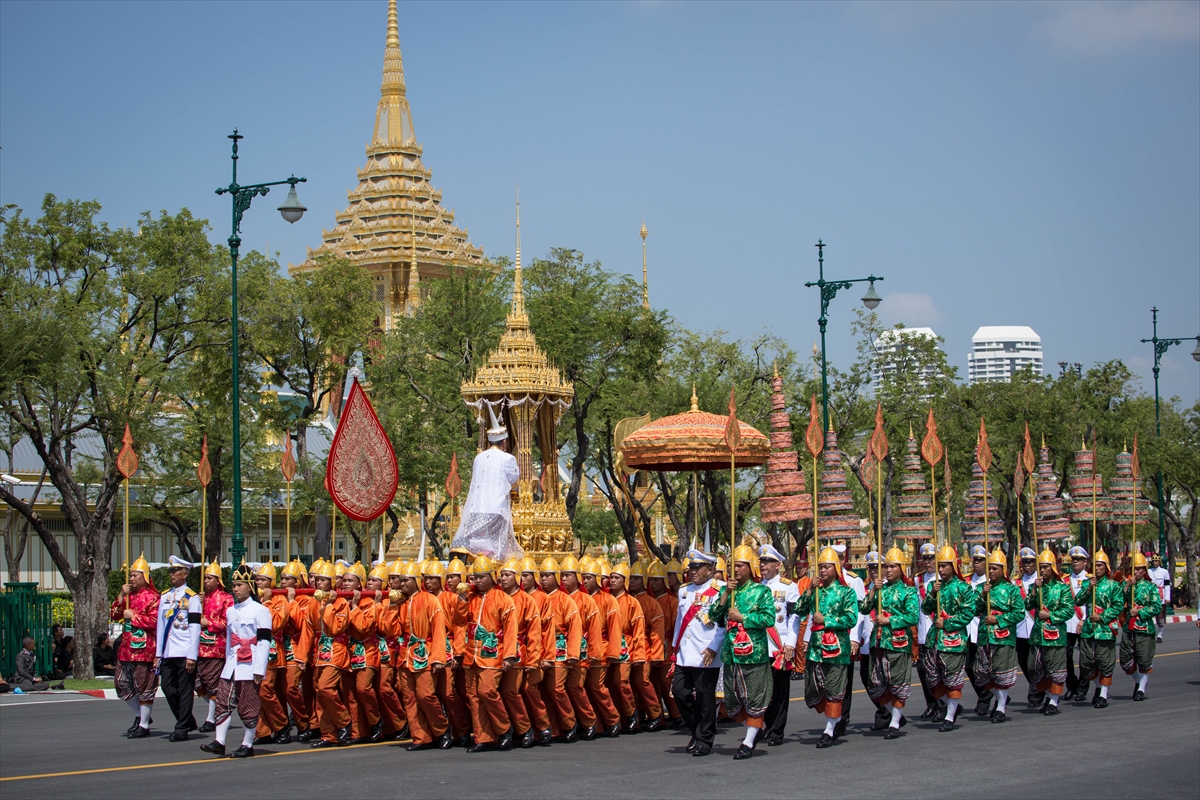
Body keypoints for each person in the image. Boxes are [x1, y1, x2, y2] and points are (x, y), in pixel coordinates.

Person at [707, 545, 775, 759]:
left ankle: (748, 740)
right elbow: (713, 614)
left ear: (749, 567)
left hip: (753, 652)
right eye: (732, 566)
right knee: (732, 700)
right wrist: (726, 593)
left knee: (754, 697)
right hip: (731, 653)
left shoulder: (761, 591)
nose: (735, 569)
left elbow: (768, 619)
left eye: (739, 565)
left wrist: (743, 618)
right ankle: (755, 728)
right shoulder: (726, 590)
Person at [199, 564, 273, 758]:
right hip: (232, 663)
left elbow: (265, 641)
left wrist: (259, 668)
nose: (236, 588)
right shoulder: (231, 611)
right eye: (233, 585)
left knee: (248, 703)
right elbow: (230, 641)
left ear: (249, 586)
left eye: (239, 584)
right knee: (223, 699)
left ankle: (247, 744)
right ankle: (219, 741)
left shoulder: (260, 610)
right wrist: (226, 662)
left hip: (251, 663)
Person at [795, 546, 859, 748]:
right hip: (815, 648)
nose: (822, 571)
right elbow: (798, 610)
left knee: (834, 690)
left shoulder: (846, 591)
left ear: (836, 568)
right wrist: (808, 591)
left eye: (827, 567)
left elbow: (851, 619)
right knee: (813, 690)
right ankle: (834, 716)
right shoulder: (816, 591)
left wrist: (827, 620)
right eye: (820, 567)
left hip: (837, 649)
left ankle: (829, 730)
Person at [671, 549, 725, 757]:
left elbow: (722, 624)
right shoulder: (684, 591)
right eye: (691, 567)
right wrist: (675, 649)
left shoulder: (720, 590)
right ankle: (696, 730)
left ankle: (705, 739)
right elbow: (679, 623)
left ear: (710, 569)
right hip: (685, 652)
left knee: (705, 698)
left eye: (698, 567)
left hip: (706, 651)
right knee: (680, 692)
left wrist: (714, 647)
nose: (693, 571)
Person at [863, 547, 920, 739]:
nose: (888, 570)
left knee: (897, 683)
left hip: (898, 642)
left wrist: (891, 620)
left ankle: (895, 722)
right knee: (876, 683)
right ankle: (894, 713)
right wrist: (872, 591)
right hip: (878, 642)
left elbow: (913, 616)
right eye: (886, 566)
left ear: (901, 568)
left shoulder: (908, 591)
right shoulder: (879, 588)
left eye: (893, 566)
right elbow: (863, 609)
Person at [463, 556, 519, 752]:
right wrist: (462, 599)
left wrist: (509, 655)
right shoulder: (470, 598)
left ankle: (504, 729)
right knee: (473, 696)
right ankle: (483, 737)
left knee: (488, 691)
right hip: (471, 654)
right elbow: (458, 620)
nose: (477, 581)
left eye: (481, 577)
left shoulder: (502, 598)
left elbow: (511, 628)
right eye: (474, 578)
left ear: (491, 577)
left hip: (493, 652)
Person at [451, 409, 522, 560]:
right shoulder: (508, 458)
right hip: (496, 509)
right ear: (504, 442)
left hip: (475, 509)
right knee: (495, 548)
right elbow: (514, 479)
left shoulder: (479, 458)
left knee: (477, 544)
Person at [920, 545, 977, 732]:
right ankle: (951, 705)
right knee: (932, 678)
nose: (941, 569)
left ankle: (950, 716)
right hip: (934, 639)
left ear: (953, 566)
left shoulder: (964, 588)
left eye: (945, 565)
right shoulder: (933, 585)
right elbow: (926, 609)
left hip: (953, 640)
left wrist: (948, 624)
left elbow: (969, 612)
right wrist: (933, 594)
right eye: (939, 566)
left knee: (952, 678)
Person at [396, 560, 452, 750]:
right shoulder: (402, 603)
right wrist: (389, 607)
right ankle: (421, 737)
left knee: (425, 695)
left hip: (426, 653)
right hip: (406, 656)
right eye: (401, 581)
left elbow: (438, 631)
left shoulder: (430, 600)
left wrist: (438, 658)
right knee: (409, 698)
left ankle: (442, 729)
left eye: (406, 581)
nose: (402, 585)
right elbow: (390, 629)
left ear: (416, 581)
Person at [110, 554, 160, 738]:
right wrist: (122, 595)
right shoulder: (129, 596)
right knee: (121, 683)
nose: (131, 578)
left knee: (144, 686)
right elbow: (114, 614)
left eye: (135, 575)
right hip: (126, 648)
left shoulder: (154, 598)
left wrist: (135, 618)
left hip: (145, 649)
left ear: (145, 577)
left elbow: (155, 622)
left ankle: (144, 725)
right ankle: (141, 716)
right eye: (130, 575)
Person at [424, 558, 472, 746]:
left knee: (449, 692)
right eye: (426, 578)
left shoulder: (452, 598)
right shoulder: (425, 598)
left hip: (449, 648)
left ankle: (462, 730)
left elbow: (460, 627)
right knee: (431, 692)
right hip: (428, 648)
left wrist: (458, 653)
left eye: (432, 578)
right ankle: (441, 729)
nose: (428, 582)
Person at [974, 548, 1024, 723]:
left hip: (1003, 637)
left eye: (995, 568)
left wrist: (999, 620)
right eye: (990, 568)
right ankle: (1001, 697)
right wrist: (982, 595)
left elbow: (1019, 613)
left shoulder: (1011, 589)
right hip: (984, 636)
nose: (992, 572)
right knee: (981, 674)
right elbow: (973, 610)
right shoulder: (982, 588)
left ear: (1003, 569)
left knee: (1001, 674)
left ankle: (1001, 707)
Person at [757, 544, 799, 747]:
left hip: (778, 645)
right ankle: (765, 724)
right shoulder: (756, 587)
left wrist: (791, 643)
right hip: (758, 646)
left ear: (777, 565)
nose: (763, 565)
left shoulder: (788, 587)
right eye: (761, 561)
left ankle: (776, 730)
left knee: (779, 691)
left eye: (767, 562)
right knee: (762, 689)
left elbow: (794, 618)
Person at [155, 555, 202, 741]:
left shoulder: (192, 598)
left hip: (184, 650)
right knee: (167, 687)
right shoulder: (165, 596)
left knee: (185, 689)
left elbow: (195, 628)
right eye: (171, 571)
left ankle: (182, 727)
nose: (172, 574)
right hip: (168, 650)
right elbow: (160, 626)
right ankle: (187, 720)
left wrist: (192, 656)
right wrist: (158, 653)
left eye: (175, 571)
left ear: (185, 573)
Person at [499, 557, 543, 747]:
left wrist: (534, 659)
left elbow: (534, 633)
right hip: (493, 651)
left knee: (511, 691)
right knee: (491, 692)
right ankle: (504, 730)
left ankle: (526, 728)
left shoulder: (527, 600)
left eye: (508, 575)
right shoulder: (495, 597)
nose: (503, 578)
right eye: (501, 575)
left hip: (516, 653)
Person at [309, 559, 352, 748]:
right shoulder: (314, 601)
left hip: (336, 650)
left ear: (333, 582)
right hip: (320, 652)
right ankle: (328, 735)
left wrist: (328, 606)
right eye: (317, 579)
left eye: (324, 580)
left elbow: (336, 627)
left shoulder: (341, 602)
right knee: (320, 693)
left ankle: (344, 721)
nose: (319, 583)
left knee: (326, 687)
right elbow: (308, 629)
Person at [539, 557, 582, 742]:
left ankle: (570, 723)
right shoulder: (538, 599)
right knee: (543, 691)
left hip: (559, 649)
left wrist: (573, 653)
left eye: (548, 575)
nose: (544, 579)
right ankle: (552, 728)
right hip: (540, 651)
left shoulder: (565, 600)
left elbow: (574, 628)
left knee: (556, 688)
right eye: (541, 576)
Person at [609, 561, 656, 734]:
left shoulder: (631, 602)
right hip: (607, 646)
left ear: (624, 581)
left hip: (625, 646)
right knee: (610, 684)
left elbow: (638, 631)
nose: (613, 581)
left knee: (622, 681)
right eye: (611, 577)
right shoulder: (607, 599)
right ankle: (618, 717)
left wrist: (639, 654)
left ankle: (633, 714)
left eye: (617, 578)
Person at [1026, 548, 1073, 715]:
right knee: (1034, 667)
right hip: (1038, 634)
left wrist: (1051, 615)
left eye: (1046, 567)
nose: (1043, 570)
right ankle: (1047, 695)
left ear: (1052, 568)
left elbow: (1069, 611)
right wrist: (1033, 591)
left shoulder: (1062, 588)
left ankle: (1054, 701)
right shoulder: (1036, 586)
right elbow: (1028, 605)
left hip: (1055, 635)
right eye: (1041, 567)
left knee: (1055, 669)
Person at [579, 557, 622, 739]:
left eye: (589, 577)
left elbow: (614, 629)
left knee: (596, 686)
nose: (585, 581)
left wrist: (613, 652)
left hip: (601, 649)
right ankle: (594, 724)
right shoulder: (579, 599)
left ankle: (613, 719)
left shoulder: (608, 600)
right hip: (581, 650)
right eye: (584, 578)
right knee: (582, 688)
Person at [1074, 550, 1123, 708]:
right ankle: (1098, 685)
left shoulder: (1113, 585)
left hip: (1105, 630)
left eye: (1100, 565)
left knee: (1104, 663)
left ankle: (1103, 694)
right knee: (1086, 664)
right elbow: (1078, 600)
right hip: (1089, 629)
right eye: (1095, 565)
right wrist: (1089, 589)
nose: (1098, 568)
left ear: (1106, 567)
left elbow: (1118, 606)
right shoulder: (1088, 583)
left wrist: (1102, 616)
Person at [250, 561, 292, 745]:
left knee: (264, 689)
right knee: (258, 691)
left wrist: (266, 602)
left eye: (262, 579)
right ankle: (263, 731)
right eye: (256, 579)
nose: (258, 582)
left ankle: (282, 724)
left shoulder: (279, 599)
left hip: (272, 652)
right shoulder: (251, 599)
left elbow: (274, 624)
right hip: (252, 650)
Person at [560, 556, 601, 740]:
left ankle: (589, 721)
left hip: (580, 652)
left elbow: (593, 630)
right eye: (562, 575)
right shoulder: (557, 598)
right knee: (558, 689)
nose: (564, 579)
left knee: (575, 687)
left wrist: (594, 653)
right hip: (559, 651)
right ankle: (569, 723)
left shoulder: (586, 600)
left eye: (568, 575)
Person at [280, 559, 320, 742]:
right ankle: (307, 723)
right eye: (281, 578)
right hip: (288, 648)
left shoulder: (307, 600)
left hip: (305, 647)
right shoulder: (282, 598)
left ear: (297, 581)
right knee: (302, 690)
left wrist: (290, 603)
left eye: (287, 579)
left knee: (308, 688)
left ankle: (313, 723)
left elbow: (299, 624)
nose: (282, 583)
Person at [520, 556, 555, 746]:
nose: (523, 579)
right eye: (521, 575)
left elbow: (547, 631)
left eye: (526, 575)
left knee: (530, 688)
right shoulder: (513, 598)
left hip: (536, 652)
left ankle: (543, 726)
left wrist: (547, 656)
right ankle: (524, 728)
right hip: (517, 653)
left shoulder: (543, 599)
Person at [628, 560, 667, 732]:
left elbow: (656, 632)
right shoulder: (626, 600)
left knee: (642, 682)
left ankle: (656, 714)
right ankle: (635, 716)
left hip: (645, 650)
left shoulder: (651, 603)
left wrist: (657, 655)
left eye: (636, 578)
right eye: (631, 578)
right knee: (629, 684)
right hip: (627, 649)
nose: (632, 582)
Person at [196, 560, 233, 734]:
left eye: (210, 578)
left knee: (213, 684)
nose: (206, 581)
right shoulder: (201, 598)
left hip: (215, 647)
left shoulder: (226, 598)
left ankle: (211, 717)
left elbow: (228, 622)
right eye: (205, 578)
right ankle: (218, 708)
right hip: (198, 646)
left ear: (218, 580)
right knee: (198, 683)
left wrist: (208, 622)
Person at [1121, 551, 1162, 701]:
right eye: (1134, 569)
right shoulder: (1128, 585)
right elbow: (1119, 600)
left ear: (1144, 570)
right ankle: (1138, 681)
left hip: (1144, 628)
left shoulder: (1151, 587)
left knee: (1144, 660)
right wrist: (1127, 586)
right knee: (1125, 660)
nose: (1136, 572)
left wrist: (1140, 611)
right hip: (1128, 628)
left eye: (1139, 569)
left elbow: (1157, 606)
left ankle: (1141, 689)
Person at [648, 560, 684, 728]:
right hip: (649, 645)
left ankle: (677, 714)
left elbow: (676, 628)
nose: (653, 583)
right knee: (652, 682)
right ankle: (657, 716)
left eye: (657, 579)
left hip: (668, 645)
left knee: (666, 681)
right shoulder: (648, 601)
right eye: (651, 580)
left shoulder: (672, 602)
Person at [912, 542, 943, 720]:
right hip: (924, 631)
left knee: (937, 670)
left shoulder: (942, 578)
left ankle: (942, 704)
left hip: (937, 630)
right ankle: (931, 704)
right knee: (923, 670)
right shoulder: (919, 579)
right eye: (925, 558)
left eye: (931, 558)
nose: (928, 562)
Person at [964, 545, 994, 716]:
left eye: (981, 560)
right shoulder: (967, 581)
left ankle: (985, 699)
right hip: (968, 629)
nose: (976, 563)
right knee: (969, 666)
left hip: (985, 629)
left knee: (985, 667)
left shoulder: (991, 582)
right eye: (975, 559)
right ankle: (985, 693)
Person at [1012, 546, 1042, 707]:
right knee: (1023, 662)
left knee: (1034, 663)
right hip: (1020, 629)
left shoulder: (1042, 581)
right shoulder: (1016, 582)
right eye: (1024, 562)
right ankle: (1038, 686)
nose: (1027, 565)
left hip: (1036, 628)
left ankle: (1035, 694)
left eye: (1030, 562)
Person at [1063, 546, 1090, 700]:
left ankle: (1082, 689)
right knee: (1066, 658)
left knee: (1085, 659)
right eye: (1073, 559)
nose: (1075, 562)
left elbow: (1091, 603)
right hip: (1067, 623)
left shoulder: (1090, 579)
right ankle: (1071, 686)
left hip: (1083, 622)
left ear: (1085, 562)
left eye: (1079, 559)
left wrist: (1084, 619)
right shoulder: (1065, 580)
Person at [1147, 553, 1171, 643]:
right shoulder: (1149, 571)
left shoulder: (1164, 572)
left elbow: (1167, 585)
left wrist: (1167, 597)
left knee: (1160, 616)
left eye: (1156, 561)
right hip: (1150, 595)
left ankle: (1160, 635)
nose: (1155, 563)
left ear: (1160, 562)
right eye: (1153, 561)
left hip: (1161, 595)